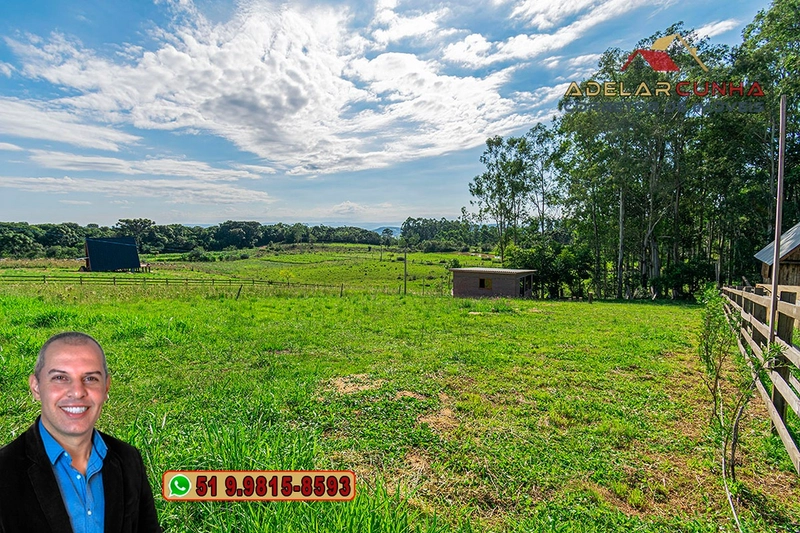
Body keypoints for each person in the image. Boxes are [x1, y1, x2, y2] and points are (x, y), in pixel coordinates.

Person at [0, 332, 161, 533]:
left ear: (106, 387)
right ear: (36, 387)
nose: (77, 392)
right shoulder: (4, 471)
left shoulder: (128, 459)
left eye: (90, 378)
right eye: (60, 378)